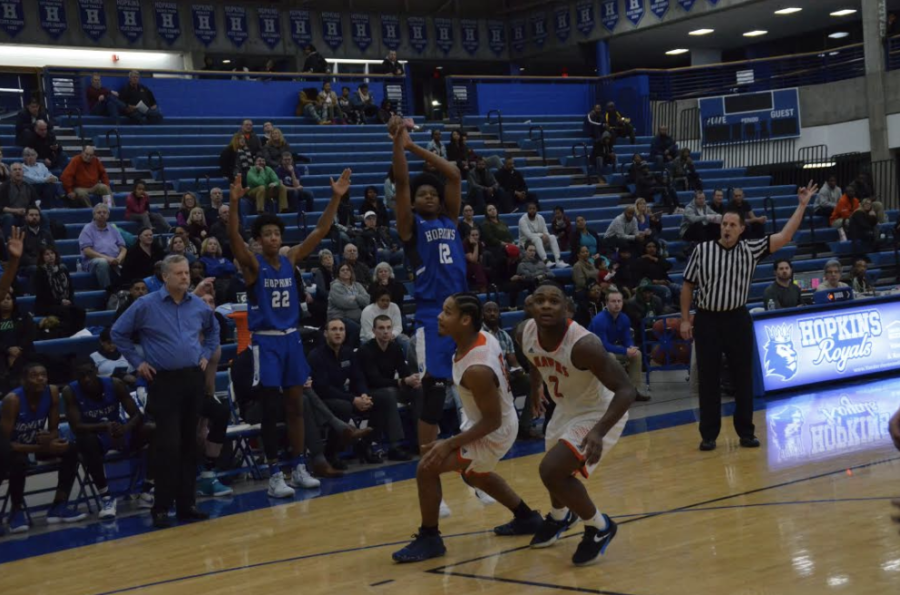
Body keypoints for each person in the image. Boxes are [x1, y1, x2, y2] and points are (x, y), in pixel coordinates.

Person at [226, 169, 349, 497]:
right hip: (266, 341)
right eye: (266, 234)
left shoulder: (291, 259)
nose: (273, 238)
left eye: (276, 234)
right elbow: (235, 241)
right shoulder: (253, 266)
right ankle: (273, 473)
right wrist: (234, 204)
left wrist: (335, 197)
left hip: (291, 339)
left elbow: (321, 230)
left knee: (295, 406)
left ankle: (297, 466)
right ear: (259, 239)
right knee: (270, 408)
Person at [392, 294, 542, 562]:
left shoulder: (477, 368)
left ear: (465, 320)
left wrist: (449, 442)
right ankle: (527, 518)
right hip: (486, 420)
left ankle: (430, 538)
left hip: (494, 429)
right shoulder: (481, 337)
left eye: (447, 312)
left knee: (426, 467)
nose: (440, 316)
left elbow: (492, 420)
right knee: (475, 475)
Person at [681, 182, 818, 451]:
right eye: (724, 224)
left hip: (737, 318)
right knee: (708, 378)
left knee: (743, 376)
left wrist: (802, 205)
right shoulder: (702, 251)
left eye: (733, 224)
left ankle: (746, 432)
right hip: (708, 319)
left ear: (742, 229)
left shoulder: (751, 250)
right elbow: (687, 286)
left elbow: (785, 236)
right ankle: (708, 435)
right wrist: (686, 319)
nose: (727, 228)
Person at [517, 282, 635, 566]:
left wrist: (598, 431)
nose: (546, 305)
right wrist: (536, 390)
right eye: (540, 300)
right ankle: (560, 517)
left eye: (554, 301)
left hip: (599, 411)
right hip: (566, 406)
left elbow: (626, 390)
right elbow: (534, 359)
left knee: (551, 470)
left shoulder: (584, 345)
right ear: (530, 305)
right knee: (554, 472)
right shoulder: (523, 331)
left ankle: (600, 527)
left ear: (567, 309)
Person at [390, 116, 468, 517]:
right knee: (433, 394)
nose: (427, 196)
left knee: (475, 386)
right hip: (432, 315)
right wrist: (399, 145)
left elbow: (452, 173)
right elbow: (402, 184)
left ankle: (477, 469)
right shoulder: (411, 226)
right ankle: (428, 470)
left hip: (464, 311)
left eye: (431, 193)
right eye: (421, 194)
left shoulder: (450, 220)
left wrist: (417, 148)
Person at [111, 255, 219, 528]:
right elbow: (118, 333)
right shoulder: (146, 305)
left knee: (190, 444)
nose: (186, 277)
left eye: (187, 273)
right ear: (165, 276)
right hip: (164, 381)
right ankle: (161, 506)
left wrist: (205, 353)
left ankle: (187, 504)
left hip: (192, 378)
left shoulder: (198, 305)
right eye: (180, 273)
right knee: (167, 445)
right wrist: (138, 363)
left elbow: (214, 330)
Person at [1, 363, 88, 532]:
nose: (40, 378)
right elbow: (6, 444)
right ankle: (16, 512)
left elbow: (54, 430)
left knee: (70, 450)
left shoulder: (52, 392)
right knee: (18, 462)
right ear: (23, 380)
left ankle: (59, 506)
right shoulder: (13, 401)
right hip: (9, 449)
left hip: (34, 445)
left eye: (44, 374)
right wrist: (40, 447)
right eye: (34, 375)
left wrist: (51, 439)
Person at [63, 360, 151, 519]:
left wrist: (125, 428)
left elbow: (137, 415)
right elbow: (76, 427)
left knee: (151, 429)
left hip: (120, 430)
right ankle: (106, 497)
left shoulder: (115, 384)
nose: (86, 379)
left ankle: (146, 489)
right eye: (81, 376)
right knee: (86, 442)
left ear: (96, 371)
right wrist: (105, 426)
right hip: (95, 435)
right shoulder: (70, 391)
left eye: (89, 374)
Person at [309, 319, 402, 464]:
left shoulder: (348, 352)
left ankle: (365, 446)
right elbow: (324, 389)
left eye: (341, 329)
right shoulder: (316, 356)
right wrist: (353, 399)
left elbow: (358, 377)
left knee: (382, 398)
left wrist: (364, 395)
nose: (338, 333)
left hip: (345, 396)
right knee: (344, 407)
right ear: (326, 334)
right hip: (322, 401)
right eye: (334, 329)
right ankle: (331, 453)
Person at [588, 290, 649, 400]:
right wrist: (625, 351)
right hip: (593, 352)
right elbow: (604, 345)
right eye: (613, 301)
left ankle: (633, 391)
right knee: (610, 357)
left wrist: (630, 347)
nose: (617, 304)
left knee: (637, 354)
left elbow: (627, 338)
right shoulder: (599, 320)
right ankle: (615, 392)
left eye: (619, 301)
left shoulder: (624, 318)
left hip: (606, 350)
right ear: (606, 303)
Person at [79, 203, 126, 291]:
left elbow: (123, 248)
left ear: (108, 215)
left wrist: (119, 259)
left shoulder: (113, 228)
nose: (102, 214)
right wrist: (108, 259)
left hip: (115, 260)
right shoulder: (87, 229)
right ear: (94, 215)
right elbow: (87, 251)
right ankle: (107, 291)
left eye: (104, 212)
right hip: (93, 261)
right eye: (99, 212)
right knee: (102, 262)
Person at [327, 262, 370, 343]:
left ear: (351, 272)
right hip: (339, 317)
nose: (345, 271)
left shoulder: (357, 285)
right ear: (338, 273)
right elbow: (344, 304)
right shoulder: (335, 286)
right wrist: (360, 301)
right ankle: (350, 350)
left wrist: (356, 297)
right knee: (357, 329)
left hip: (358, 317)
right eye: (342, 270)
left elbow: (367, 300)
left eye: (347, 270)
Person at [630, 240, 679, 305]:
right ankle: (666, 308)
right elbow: (640, 277)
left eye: (654, 247)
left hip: (664, 282)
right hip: (650, 285)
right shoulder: (640, 261)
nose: (652, 249)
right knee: (665, 290)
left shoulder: (658, 258)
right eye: (649, 247)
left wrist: (654, 259)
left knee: (678, 288)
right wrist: (654, 281)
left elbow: (668, 266)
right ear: (645, 249)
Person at [519, 202, 567, 267]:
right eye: (530, 209)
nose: (532, 210)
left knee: (552, 237)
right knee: (536, 238)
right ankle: (545, 261)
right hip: (526, 244)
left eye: (534, 208)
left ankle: (558, 260)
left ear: (536, 209)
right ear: (527, 210)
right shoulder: (522, 220)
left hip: (540, 242)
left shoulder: (540, 218)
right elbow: (529, 235)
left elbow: (546, 232)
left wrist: (546, 236)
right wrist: (542, 235)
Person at [0, 163, 37, 239]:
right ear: (10, 173)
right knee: (8, 217)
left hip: (24, 213)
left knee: (41, 216)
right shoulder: (4, 187)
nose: (18, 172)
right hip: (7, 214)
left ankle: (39, 239)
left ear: (23, 172)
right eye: (15, 170)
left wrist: (29, 211)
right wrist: (15, 211)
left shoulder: (29, 187)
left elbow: (35, 203)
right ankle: (8, 241)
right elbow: (1, 207)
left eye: (20, 169)